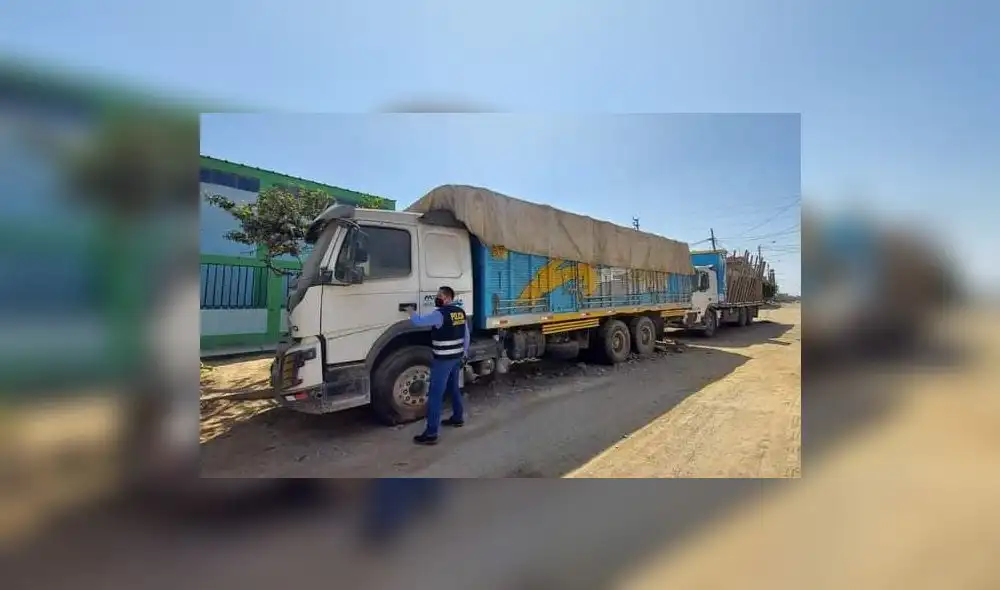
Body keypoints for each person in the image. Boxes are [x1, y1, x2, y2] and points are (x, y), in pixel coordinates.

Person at [408, 286, 469, 445]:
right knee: (453, 388)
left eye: (439, 295)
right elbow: (466, 335)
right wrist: (464, 353)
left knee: (435, 395)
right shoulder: (460, 312)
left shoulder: (439, 314)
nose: (437, 298)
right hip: (456, 357)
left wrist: (410, 311)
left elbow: (418, 322)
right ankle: (458, 418)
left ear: (447, 298)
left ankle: (431, 433)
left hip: (443, 360)